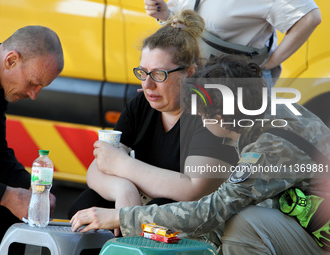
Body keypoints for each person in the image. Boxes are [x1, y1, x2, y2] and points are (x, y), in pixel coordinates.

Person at [70, 55, 330, 255]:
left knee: (244, 222)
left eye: (201, 112)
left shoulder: (272, 146)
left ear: (221, 115)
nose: (199, 119)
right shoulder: (270, 113)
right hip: (313, 226)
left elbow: (213, 210)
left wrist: (122, 217)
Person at [68, 10, 239, 235]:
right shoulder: (141, 104)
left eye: (159, 75)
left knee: (160, 206)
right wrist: (123, 190)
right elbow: (97, 166)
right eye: (142, 72)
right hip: (141, 207)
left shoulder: (207, 111)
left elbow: (193, 189)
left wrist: (123, 166)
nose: (147, 85)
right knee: (85, 208)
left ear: (190, 73)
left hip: (191, 223)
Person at [0, 25, 64, 254]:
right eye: (33, 83)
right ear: (11, 60)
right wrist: (7, 195)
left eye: (42, 87)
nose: (34, 95)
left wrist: (32, 190)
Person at [144, 0, 322, 87]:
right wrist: (165, 13)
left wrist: (271, 62)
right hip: (194, 77)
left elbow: (310, 17)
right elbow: (181, 13)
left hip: (236, 85)